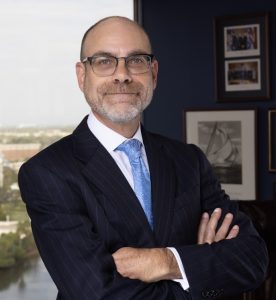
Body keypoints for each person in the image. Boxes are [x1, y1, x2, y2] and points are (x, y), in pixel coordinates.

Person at [18, 16, 268, 300]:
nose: (122, 74)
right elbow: (98, 294)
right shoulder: (48, 173)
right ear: (81, 75)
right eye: (104, 61)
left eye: (136, 60)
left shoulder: (189, 161)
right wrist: (198, 265)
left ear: (154, 73)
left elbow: (253, 259)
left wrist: (167, 261)